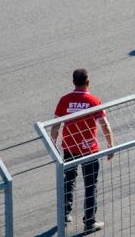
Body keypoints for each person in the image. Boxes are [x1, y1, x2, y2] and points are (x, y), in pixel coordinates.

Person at [50, 68, 114, 234]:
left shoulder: (64, 100)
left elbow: (55, 126)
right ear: (88, 82)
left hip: (69, 148)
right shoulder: (94, 101)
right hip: (89, 150)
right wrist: (110, 145)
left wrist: (53, 146)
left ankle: (64, 214)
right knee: (90, 184)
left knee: (69, 179)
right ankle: (90, 221)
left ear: (73, 82)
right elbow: (105, 125)